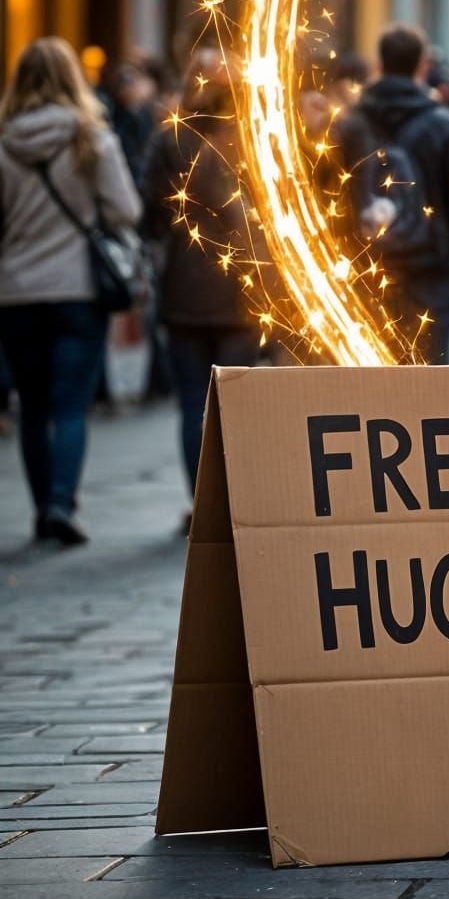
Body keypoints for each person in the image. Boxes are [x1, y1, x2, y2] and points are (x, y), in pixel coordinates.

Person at [0, 38, 141, 544]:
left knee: (32, 407)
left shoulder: (4, 143)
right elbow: (127, 209)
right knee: (69, 405)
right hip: (78, 288)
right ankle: (62, 501)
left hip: (16, 291)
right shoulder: (92, 138)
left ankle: (42, 509)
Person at [142, 48, 264, 499]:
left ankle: (202, 503)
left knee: (193, 401)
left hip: (185, 286)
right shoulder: (256, 137)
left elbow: (150, 210)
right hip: (243, 290)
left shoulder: (170, 139)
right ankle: (232, 503)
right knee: (236, 405)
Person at [338, 23, 449, 365]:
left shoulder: (351, 124)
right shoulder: (445, 124)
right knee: (430, 369)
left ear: (379, 64)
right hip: (431, 265)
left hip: (370, 264)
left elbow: (337, 196)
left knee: (376, 365)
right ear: (422, 65)